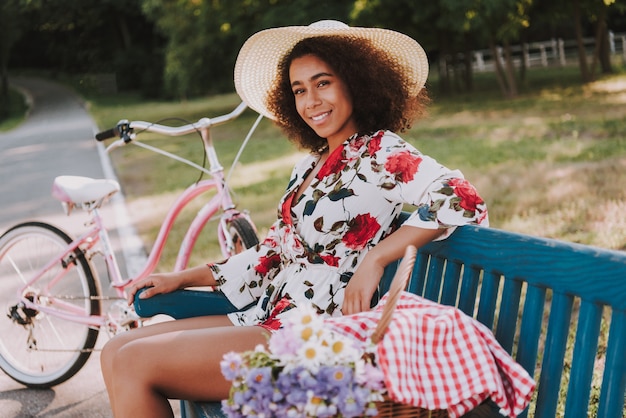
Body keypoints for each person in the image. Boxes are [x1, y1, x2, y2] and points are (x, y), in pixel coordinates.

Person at [101, 20, 488, 418]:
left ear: (356, 82)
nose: (311, 101)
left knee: (135, 363)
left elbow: (460, 197)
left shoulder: (379, 151)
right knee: (115, 351)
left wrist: (377, 258)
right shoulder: (309, 165)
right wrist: (182, 278)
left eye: (323, 83)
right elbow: (270, 254)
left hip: (317, 335)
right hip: (271, 317)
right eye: (299, 90)